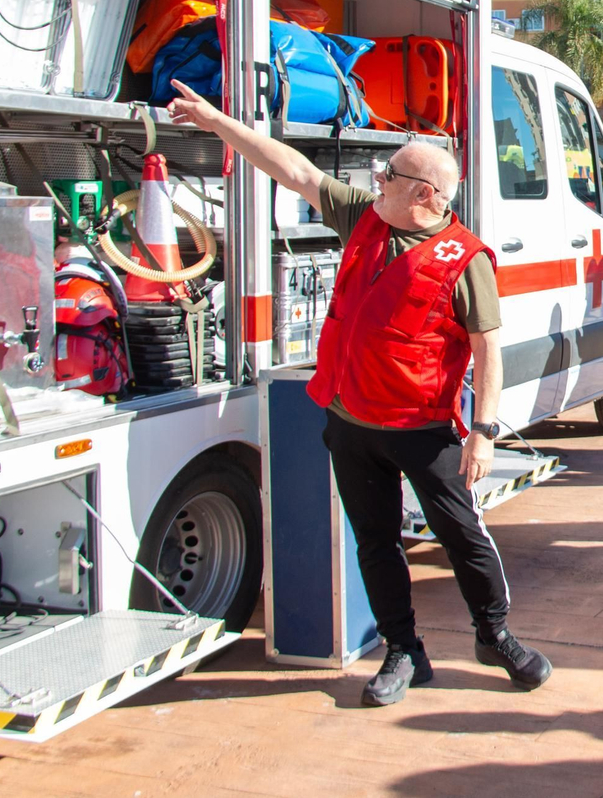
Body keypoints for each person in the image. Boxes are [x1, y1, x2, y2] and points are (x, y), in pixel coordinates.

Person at [164, 80, 551, 705]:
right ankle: (404, 651)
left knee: (463, 538)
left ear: (424, 195)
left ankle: (495, 634)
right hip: (350, 424)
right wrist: (215, 121)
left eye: (389, 172)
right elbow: (290, 167)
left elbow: (488, 351)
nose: (377, 178)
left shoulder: (464, 260)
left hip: (423, 432)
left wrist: (483, 432)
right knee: (375, 540)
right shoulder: (367, 217)